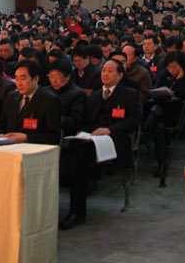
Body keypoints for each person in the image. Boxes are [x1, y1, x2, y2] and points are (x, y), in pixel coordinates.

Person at [59, 60, 141, 230]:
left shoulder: (129, 94)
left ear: (120, 75)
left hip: (116, 140)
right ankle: (74, 208)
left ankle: (77, 212)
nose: (105, 74)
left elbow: (134, 121)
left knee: (77, 159)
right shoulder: (95, 96)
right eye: (103, 70)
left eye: (110, 71)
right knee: (71, 151)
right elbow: (85, 121)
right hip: (91, 140)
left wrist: (109, 130)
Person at [0, 60, 61, 145]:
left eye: (23, 78)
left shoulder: (49, 100)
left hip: (34, 148)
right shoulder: (11, 97)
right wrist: (1, 135)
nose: (19, 83)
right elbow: (0, 126)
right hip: (8, 146)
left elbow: (54, 136)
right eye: (17, 79)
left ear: (36, 79)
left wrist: (27, 138)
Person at [47, 61, 86, 138]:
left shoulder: (77, 94)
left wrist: (52, 120)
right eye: (51, 76)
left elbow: (75, 120)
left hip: (65, 134)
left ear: (68, 77)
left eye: (57, 77)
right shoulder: (45, 91)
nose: (54, 80)